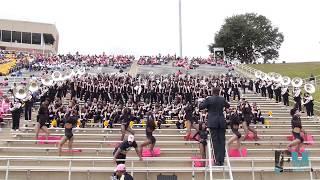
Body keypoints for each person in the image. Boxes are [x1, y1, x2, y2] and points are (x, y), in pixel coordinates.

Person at [199, 87, 230, 166]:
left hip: (213, 122)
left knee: (215, 141)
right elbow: (228, 105)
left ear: (212, 92)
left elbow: (200, 106)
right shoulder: (222, 99)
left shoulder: (209, 99)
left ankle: (217, 160)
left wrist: (204, 99)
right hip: (221, 122)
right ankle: (221, 160)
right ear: (219, 92)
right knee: (222, 141)